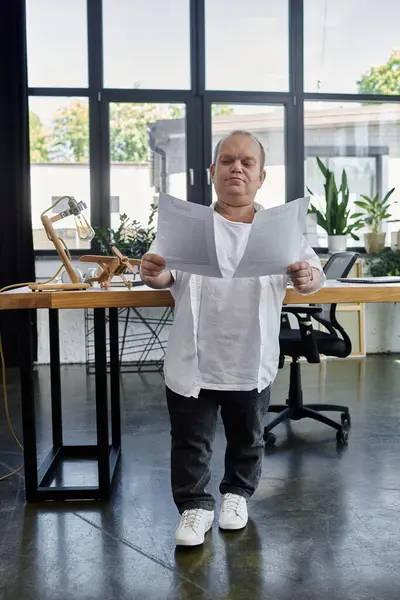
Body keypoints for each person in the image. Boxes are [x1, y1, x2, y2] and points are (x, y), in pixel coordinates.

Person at [140, 130, 325, 547]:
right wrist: (153, 274)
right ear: (212, 172)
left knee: (248, 435)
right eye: (227, 161)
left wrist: (307, 276)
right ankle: (194, 507)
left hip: (249, 355)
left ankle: (236, 496)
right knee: (190, 440)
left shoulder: (281, 230)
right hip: (195, 356)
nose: (236, 168)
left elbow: (313, 274)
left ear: (261, 177)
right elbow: (163, 272)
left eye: (247, 162)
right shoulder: (188, 226)